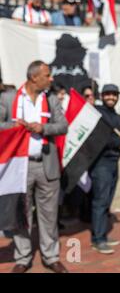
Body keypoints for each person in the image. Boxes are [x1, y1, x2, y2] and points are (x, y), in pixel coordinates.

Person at [0, 61, 68, 273]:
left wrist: (44, 127)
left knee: (49, 215)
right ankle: (23, 257)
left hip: (46, 164)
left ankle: (51, 256)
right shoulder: (9, 98)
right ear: (33, 77)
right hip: (19, 167)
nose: (51, 79)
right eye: (47, 75)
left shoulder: (51, 99)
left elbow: (63, 126)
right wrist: (14, 126)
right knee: (22, 213)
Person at [90, 84, 120, 254]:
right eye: (107, 94)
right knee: (100, 201)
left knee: (107, 201)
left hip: (114, 161)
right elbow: (98, 140)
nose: (111, 97)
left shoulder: (115, 115)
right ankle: (98, 239)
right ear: (101, 95)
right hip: (101, 163)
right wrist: (118, 142)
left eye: (114, 94)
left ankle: (103, 235)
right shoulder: (97, 113)